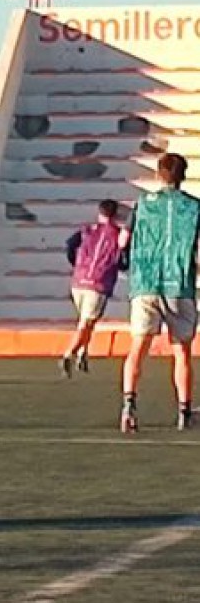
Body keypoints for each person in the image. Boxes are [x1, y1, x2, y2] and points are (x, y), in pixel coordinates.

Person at [121, 153, 199, 433]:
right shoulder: (194, 207)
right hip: (178, 283)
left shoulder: (141, 205)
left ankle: (129, 407)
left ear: (158, 174)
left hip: (145, 281)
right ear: (183, 175)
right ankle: (184, 412)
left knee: (138, 349)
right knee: (181, 351)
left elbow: (123, 240)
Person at [61, 198, 128, 378]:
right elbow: (124, 262)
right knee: (85, 323)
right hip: (98, 283)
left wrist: (76, 263)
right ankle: (69, 353)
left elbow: (69, 245)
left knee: (87, 321)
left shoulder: (86, 230)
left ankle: (83, 353)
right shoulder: (118, 234)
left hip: (78, 281)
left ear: (100, 213)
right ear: (115, 215)